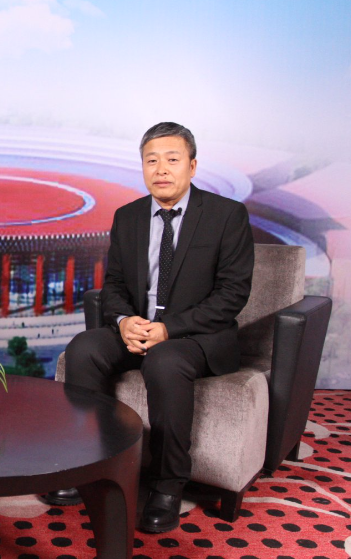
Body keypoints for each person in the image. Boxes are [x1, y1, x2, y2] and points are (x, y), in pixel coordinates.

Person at [56, 122, 254, 533]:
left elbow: (232, 294)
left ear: (192, 166)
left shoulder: (226, 216)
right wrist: (124, 321)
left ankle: (167, 485)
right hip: (138, 327)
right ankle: (85, 463)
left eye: (172, 159)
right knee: (83, 348)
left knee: (165, 362)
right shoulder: (128, 217)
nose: (161, 169)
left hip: (196, 336)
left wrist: (168, 329)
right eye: (151, 161)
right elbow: (113, 285)